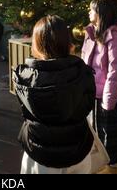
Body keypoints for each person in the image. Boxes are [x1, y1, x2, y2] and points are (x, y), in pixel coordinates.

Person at [14, 16, 96, 174]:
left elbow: (25, 113)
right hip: (79, 148)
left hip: (40, 152)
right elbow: (87, 106)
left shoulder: (24, 77)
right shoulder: (83, 73)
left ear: (37, 42)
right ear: (66, 41)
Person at [82, 0, 117, 174]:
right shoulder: (92, 32)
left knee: (109, 133)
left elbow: (116, 71)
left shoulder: (114, 36)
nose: (89, 12)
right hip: (93, 93)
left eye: (91, 10)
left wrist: (109, 100)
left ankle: (114, 167)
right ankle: (101, 165)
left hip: (108, 95)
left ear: (100, 14)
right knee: (96, 131)